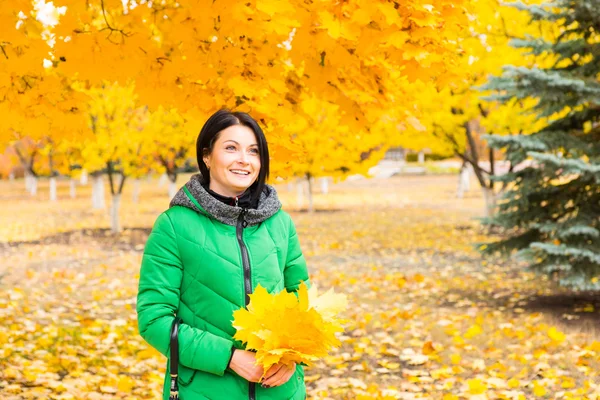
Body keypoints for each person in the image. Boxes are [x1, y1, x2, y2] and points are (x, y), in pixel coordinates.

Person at [136, 109, 310, 400]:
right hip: (205, 390)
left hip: (281, 390)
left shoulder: (281, 223)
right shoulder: (174, 225)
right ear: (206, 156)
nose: (244, 159)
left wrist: (294, 358)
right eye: (231, 148)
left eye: (253, 151)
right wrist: (228, 357)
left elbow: (303, 303)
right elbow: (154, 318)